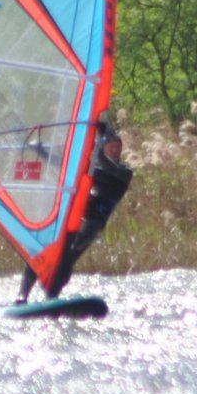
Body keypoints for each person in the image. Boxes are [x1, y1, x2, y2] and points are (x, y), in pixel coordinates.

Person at [21, 121, 133, 302]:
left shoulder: (124, 171)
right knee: (42, 250)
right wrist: (39, 150)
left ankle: (51, 297)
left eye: (118, 147)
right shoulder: (90, 168)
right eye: (112, 147)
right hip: (73, 215)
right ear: (105, 148)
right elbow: (60, 163)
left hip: (93, 221)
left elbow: (105, 163)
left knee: (68, 256)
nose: (115, 151)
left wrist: (99, 140)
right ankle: (22, 295)